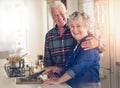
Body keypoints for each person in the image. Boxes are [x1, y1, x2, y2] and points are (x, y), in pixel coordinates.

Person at [43, 11, 101, 88]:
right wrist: (54, 69)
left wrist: (58, 80)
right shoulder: (76, 45)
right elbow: (69, 68)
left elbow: (75, 69)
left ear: (87, 27)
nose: (75, 29)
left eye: (78, 26)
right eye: (72, 26)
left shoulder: (89, 45)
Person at [44, 1, 104, 68]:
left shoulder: (78, 29)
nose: (60, 17)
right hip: (57, 75)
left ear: (66, 13)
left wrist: (97, 43)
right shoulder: (49, 35)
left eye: (61, 13)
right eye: (56, 15)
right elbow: (47, 62)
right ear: (52, 18)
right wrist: (52, 76)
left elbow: (101, 49)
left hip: (77, 76)